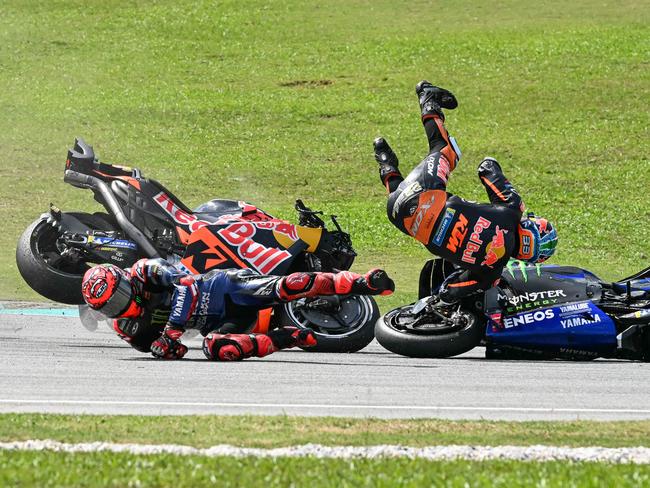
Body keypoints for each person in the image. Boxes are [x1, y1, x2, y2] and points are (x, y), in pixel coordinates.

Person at [373, 81, 558, 305]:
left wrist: (505, 193)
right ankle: (385, 163)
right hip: (402, 221)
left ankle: (428, 98)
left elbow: (486, 167)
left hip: (424, 195)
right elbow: (452, 289)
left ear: (533, 228)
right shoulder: (491, 274)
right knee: (398, 201)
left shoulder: (513, 210)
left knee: (445, 150)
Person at [81, 258, 394, 360]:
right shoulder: (127, 329)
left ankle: (361, 282)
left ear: (124, 278)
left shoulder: (145, 271)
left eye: (120, 292)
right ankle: (289, 338)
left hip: (224, 289)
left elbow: (186, 284)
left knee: (287, 286)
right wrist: (166, 349)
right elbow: (168, 351)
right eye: (112, 304)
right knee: (219, 349)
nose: (122, 303)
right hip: (221, 321)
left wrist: (172, 332)